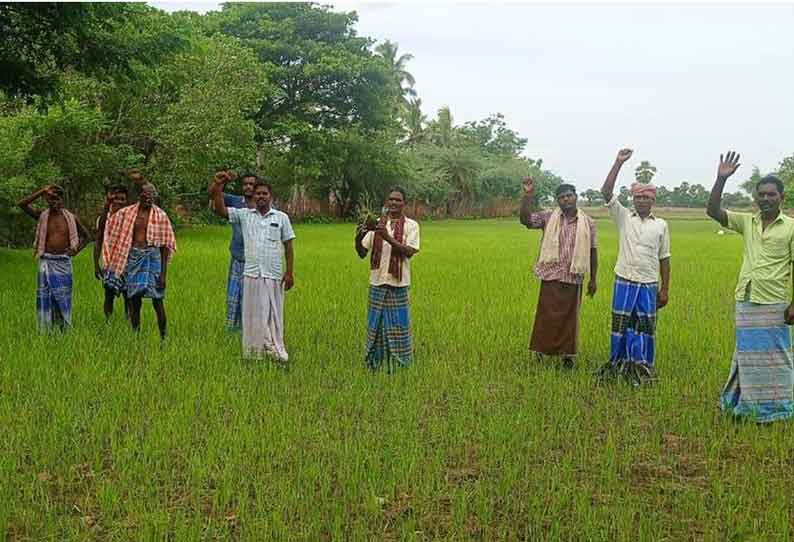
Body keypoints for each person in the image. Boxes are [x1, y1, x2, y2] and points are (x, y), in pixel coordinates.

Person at [707, 150, 794, 422]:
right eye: (761, 194)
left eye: (771, 194)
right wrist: (721, 179)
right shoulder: (748, 221)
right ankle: (745, 404)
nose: (765, 198)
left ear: (782, 197)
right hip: (746, 299)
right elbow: (712, 211)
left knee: (777, 358)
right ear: (755, 198)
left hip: (775, 301)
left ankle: (778, 408)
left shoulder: (791, 227)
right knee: (747, 355)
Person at [598, 148, 671, 385]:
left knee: (645, 326)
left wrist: (665, 289)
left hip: (648, 283)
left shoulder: (661, 225)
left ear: (653, 200)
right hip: (624, 279)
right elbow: (606, 192)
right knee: (621, 324)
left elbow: (665, 258)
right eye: (638, 197)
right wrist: (618, 162)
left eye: (646, 197)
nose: (642, 200)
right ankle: (618, 363)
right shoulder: (623, 217)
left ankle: (641, 366)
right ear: (633, 199)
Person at [209, 173, 295, 361]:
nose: (261, 196)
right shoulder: (244, 215)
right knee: (252, 315)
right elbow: (220, 209)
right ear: (253, 197)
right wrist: (218, 185)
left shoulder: (281, 218)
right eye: (258, 194)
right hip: (251, 274)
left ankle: (275, 348)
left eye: (264, 193)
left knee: (273, 313)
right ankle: (254, 353)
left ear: (270, 196)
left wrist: (289, 273)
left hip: (272, 274)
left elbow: (288, 246)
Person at [519, 177, 597, 368]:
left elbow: (593, 251)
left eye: (569, 195)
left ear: (576, 197)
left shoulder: (588, 222)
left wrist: (593, 279)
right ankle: (540, 352)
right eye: (561, 197)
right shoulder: (548, 217)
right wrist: (527, 196)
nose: (566, 200)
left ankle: (567, 356)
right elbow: (526, 220)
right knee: (546, 316)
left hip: (574, 276)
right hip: (551, 274)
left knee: (570, 319)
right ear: (557, 201)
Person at [354, 187, 420, 372]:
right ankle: (376, 360)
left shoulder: (411, 226)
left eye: (398, 200)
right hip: (377, 282)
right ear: (386, 202)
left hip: (398, 284)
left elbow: (409, 251)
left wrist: (387, 237)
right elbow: (361, 252)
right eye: (391, 199)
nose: (394, 203)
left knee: (399, 325)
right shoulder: (378, 225)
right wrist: (358, 234)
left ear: (404, 204)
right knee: (376, 325)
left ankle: (401, 362)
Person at [103, 182, 176, 340]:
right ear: (140, 195)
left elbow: (165, 246)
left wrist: (163, 275)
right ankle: (135, 335)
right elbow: (108, 224)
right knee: (134, 300)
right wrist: (107, 204)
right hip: (134, 257)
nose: (149, 198)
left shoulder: (161, 216)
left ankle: (164, 337)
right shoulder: (127, 213)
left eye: (152, 196)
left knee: (158, 300)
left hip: (153, 257)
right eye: (146, 195)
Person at [17, 184, 91, 331]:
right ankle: (46, 329)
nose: (54, 202)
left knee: (63, 297)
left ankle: (64, 329)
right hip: (46, 261)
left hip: (63, 262)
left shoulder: (71, 218)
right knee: (46, 297)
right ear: (47, 200)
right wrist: (41, 191)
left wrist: (74, 251)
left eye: (57, 199)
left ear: (62, 200)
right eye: (51, 199)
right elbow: (22, 204)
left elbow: (87, 237)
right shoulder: (42, 216)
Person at [208, 171, 257, 331]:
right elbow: (215, 196)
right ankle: (233, 330)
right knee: (234, 296)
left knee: (253, 298)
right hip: (238, 258)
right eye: (245, 184)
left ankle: (252, 329)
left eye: (252, 184)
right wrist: (219, 183)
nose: (248, 186)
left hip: (256, 261)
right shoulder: (235, 202)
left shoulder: (264, 206)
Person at [94, 184, 130, 321]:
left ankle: (130, 323)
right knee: (108, 295)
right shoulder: (104, 218)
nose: (119, 202)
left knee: (129, 296)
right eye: (116, 198)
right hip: (109, 262)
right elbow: (98, 241)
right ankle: (108, 323)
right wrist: (96, 265)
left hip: (126, 261)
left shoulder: (129, 217)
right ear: (110, 199)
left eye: (122, 199)